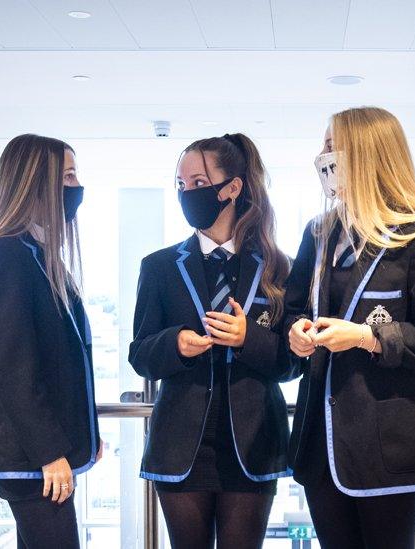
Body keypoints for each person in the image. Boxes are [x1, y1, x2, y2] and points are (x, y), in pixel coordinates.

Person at [285, 107, 415, 549]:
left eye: (332, 147)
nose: (323, 158)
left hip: (388, 444)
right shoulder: (319, 233)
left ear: (365, 154)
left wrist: (365, 337)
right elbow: (292, 308)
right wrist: (296, 332)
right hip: (320, 444)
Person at [129, 133, 295, 549]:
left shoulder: (278, 267)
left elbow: (294, 362)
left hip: (254, 445)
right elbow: (140, 354)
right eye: (181, 185)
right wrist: (175, 345)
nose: (187, 193)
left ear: (233, 187)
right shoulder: (160, 267)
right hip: (181, 446)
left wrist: (247, 339)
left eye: (199, 183)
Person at [0, 134, 102, 549]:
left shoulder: (36, 253)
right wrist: (49, 452)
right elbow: (11, 367)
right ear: (36, 182)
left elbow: (61, 359)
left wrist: (85, 436)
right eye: (68, 176)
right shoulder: (8, 256)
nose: (76, 187)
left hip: (40, 456)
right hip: (31, 459)